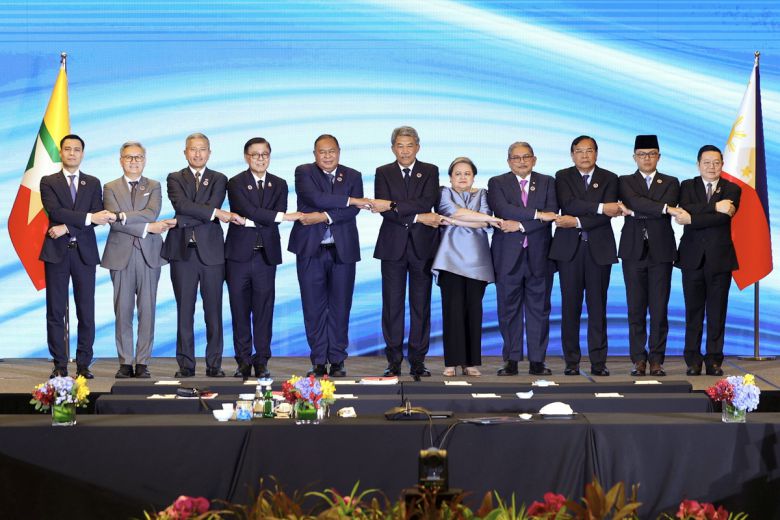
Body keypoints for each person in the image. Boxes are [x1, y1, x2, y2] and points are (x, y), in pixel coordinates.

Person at [287, 134, 370, 377]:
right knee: (313, 307)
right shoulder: (304, 172)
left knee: (340, 307)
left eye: (331, 151)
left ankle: (337, 359)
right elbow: (315, 198)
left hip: (342, 250)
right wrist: (350, 200)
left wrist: (324, 216)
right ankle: (318, 360)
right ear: (315, 154)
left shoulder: (353, 175)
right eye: (322, 152)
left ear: (339, 152)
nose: (327, 156)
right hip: (310, 250)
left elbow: (352, 212)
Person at [40, 134, 116, 378]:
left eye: (76, 149)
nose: (72, 153)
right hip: (57, 254)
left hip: (84, 254)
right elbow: (55, 211)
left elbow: (98, 217)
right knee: (55, 311)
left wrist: (67, 228)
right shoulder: (48, 181)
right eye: (67, 149)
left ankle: (84, 364)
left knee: (86, 310)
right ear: (60, 153)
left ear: (82, 153)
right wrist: (86, 219)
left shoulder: (92, 182)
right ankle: (59, 364)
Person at [225, 137, 301, 379]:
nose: (260, 159)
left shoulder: (279, 183)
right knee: (239, 310)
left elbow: (274, 213)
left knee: (264, 310)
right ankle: (243, 361)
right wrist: (278, 217)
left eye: (264, 154)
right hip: (238, 257)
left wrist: (258, 220)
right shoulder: (235, 182)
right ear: (246, 157)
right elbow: (248, 210)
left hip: (265, 256)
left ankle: (262, 360)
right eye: (255, 154)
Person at [162, 133, 236, 378]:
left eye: (202, 149)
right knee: (184, 311)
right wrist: (213, 213)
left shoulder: (219, 179)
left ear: (209, 152)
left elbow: (206, 207)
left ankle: (214, 364)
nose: (197, 153)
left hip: (212, 254)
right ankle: (186, 364)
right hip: (182, 254)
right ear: (185, 152)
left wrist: (181, 221)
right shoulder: (174, 177)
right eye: (193, 149)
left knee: (213, 311)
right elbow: (181, 205)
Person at [370, 126, 441, 377]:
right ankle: (394, 361)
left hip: (423, 247)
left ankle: (418, 360)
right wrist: (418, 216)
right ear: (393, 148)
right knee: (392, 306)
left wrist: (394, 205)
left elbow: (427, 202)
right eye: (400, 146)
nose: (405, 151)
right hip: (392, 247)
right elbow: (385, 211)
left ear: (417, 147)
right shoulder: (383, 172)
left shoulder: (430, 170)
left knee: (421, 305)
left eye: (409, 145)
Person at [101, 141, 175, 379]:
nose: (134, 161)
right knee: (122, 310)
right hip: (120, 255)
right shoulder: (110, 187)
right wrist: (147, 228)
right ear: (121, 160)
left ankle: (143, 362)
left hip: (149, 255)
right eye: (129, 157)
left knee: (147, 310)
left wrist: (123, 216)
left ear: (145, 160)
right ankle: (125, 362)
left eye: (138, 157)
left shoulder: (153, 185)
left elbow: (151, 213)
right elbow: (113, 221)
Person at [549, 135, 621, 376]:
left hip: (599, 250)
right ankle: (571, 361)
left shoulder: (610, 178)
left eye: (589, 150)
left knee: (597, 308)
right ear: (572, 155)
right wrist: (599, 207)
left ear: (596, 153)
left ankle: (599, 362)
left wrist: (578, 221)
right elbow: (568, 204)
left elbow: (608, 214)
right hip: (569, 251)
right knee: (570, 307)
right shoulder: (562, 176)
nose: (584, 155)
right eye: (579, 151)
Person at [487, 142, 558, 376]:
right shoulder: (497, 182)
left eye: (526, 157)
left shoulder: (548, 182)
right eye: (516, 158)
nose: (521, 161)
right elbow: (503, 210)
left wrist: (520, 225)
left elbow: (552, 213)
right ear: (509, 161)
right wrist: (537, 215)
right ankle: (511, 360)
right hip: (507, 257)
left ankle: (537, 360)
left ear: (534, 160)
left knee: (540, 310)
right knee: (508, 310)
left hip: (540, 255)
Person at [673, 145, 740, 376]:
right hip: (692, 258)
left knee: (717, 312)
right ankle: (692, 360)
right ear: (698, 164)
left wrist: (693, 218)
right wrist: (714, 207)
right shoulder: (687, 186)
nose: (711, 167)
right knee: (693, 312)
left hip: (720, 259)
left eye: (716, 162)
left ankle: (714, 360)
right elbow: (685, 209)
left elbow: (722, 219)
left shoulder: (732, 188)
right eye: (707, 162)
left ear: (722, 164)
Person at [618, 135, 680, 377]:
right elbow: (636, 201)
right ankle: (638, 359)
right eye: (642, 155)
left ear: (659, 157)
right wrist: (662, 208)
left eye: (652, 154)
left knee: (659, 309)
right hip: (633, 251)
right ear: (634, 157)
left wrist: (635, 212)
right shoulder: (624, 181)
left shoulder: (672, 182)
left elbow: (641, 205)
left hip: (661, 252)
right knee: (635, 308)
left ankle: (656, 360)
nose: (647, 158)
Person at [432, 157, 499, 376]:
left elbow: (485, 221)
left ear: (473, 177)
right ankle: (451, 362)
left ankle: (470, 363)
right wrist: (458, 218)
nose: (462, 177)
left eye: (467, 173)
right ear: (450, 177)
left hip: (477, 261)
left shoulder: (483, 194)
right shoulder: (444, 192)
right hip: (450, 259)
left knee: (474, 311)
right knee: (452, 311)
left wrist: (453, 222)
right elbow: (454, 212)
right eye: (458, 173)